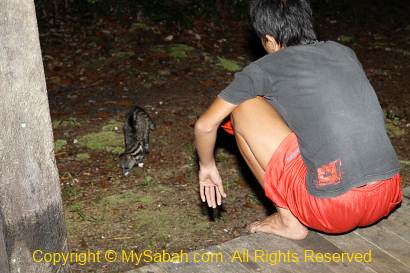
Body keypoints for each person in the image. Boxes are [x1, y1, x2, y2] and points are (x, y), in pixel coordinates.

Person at [194, 0, 402, 240]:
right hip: (388, 192)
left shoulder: (264, 68)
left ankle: (288, 221)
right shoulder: (343, 52)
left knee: (243, 106)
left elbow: (205, 125)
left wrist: (207, 166)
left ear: (269, 40)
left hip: (333, 209)